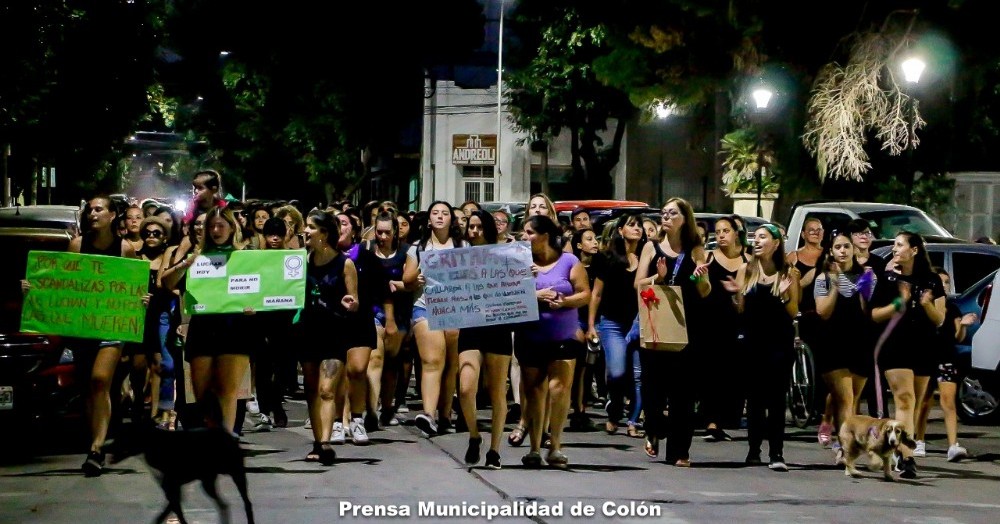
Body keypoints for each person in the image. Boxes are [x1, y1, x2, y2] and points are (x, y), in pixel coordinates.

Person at [25, 195, 138, 476]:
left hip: (111, 327)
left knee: (101, 380)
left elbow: (132, 286)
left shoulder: (125, 249)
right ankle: (94, 440)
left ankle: (97, 448)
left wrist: (140, 300)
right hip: (83, 328)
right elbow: (65, 284)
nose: (93, 214)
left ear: (113, 215)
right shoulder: (77, 245)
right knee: (89, 386)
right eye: (90, 210)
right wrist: (34, 288)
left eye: (99, 209)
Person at [634, 198, 711, 468]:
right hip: (656, 324)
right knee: (653, 389)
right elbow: (638, 284)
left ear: (684, 218)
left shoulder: (696, 249)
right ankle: (654, 428)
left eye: (672, 213)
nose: (666, 217)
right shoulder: (650, 247)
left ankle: (680, 450)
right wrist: (659, 278)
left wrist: (701, 277)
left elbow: (705, 291)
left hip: (686, 326)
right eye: (663, 213)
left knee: (683, 393)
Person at [167, 207, 255, 437]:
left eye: (221, 226)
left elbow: (260, 291)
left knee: (227, 392)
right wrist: (186, 263)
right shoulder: (198, 258)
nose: (216, 230)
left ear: (231, 228)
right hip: (203, 329)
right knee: (202, 393)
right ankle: (211, 437)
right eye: (211, 226)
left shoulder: (245, 257)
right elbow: (166, 283)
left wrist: (253, 308)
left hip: (234, 329)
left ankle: (224, 444)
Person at [723, 224, 800, 472]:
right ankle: (753, 450)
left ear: (776, 243)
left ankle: (776, 453)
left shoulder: (789, 273)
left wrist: (786, 295)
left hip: (779, 343)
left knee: (777, 400)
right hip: (753, 342)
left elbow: (792, 312)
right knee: (755, 400)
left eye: (762, 237)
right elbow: (741, 310)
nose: (756, 242)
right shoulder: (746, 269)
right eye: (755, 238)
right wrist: (735, 295)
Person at [869, 231, 946, 479]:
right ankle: (906, 457)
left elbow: (940, 319)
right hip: (895, 344)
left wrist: (925, 304)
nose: (894, 249)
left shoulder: (932, 280)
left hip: (923, 345)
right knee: (904, 399)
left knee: (913, 405)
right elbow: (874, 314)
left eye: (899, 244)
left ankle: (896, 447)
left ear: (914, 250)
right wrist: (898, 303)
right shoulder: (888, 278)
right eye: (894, 244)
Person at [517, 215, 590, 468]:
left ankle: (556, 446)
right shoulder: (520, 262)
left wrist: (564, 302)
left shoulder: (569, 261)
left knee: (559, 390)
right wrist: (533, 293)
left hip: (563, 336)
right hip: (530, 335)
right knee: (534, 390)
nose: (524, 237)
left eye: (529, 232)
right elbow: (506, 293)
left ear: (545, 235)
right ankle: (534, 448)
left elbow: (584, 294)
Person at [297, 210, 361, 465]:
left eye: (311, 227)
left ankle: (325, 443)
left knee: (326, 390)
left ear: (324, 233)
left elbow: (355, 300)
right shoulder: (301, 262)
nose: (306, 231)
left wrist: (351, 303)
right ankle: (316, 441)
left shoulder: (345, 263)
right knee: (312, 389)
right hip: (308, 330)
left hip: (335, 332)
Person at [813, 229, 877, 461]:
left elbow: (866, 310)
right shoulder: (823, 278)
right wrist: (836, 283)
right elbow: (823, 311)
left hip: (859, 342)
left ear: (854, 250)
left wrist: (865, 285)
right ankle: (844, 447)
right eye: (838, 247)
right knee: (845, 399)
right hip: (833, 343)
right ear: (830, 251)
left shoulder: (867, 275)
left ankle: (846, 443)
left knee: (853, 400)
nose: (842, 251)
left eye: (846, 247)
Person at [457, 210, 513, 469]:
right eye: (471, 227)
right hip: (470, 325)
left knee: (498, 391)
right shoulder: (457, 258)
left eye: (479, 227)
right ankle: (474, 435)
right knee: (467, 386)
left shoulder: (505, 254)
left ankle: (494, 449)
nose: (475, 231)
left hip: (498, 325)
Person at [404, 201, 466, 436]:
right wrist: (415, 278)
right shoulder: (417, 248)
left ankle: (446, 414)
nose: (440, 217)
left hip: (456, 309)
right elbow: (407, 280)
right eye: (435, 213)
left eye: (445, 213)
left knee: (451, 364)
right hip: (425, 308)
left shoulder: (463, 246)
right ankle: (428, 413)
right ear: (429, 219)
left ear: (452, 219)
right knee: (432, 361)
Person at [587, 214, 646, 438]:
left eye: (639, 225)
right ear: (620, 230)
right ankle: (614, 410)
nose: (637, 229)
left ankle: (633, 421)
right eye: (631, 225)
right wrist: (592, 325)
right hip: (612, 323)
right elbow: (597, 293)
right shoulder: (606, 258)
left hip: (639, 321)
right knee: (617, 372)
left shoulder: (646, 256)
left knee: (638, 376)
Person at [913, 267, 975, 462]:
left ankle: (953, 445)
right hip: (925, 356)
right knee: (923, 402)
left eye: (947, 282)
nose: (944, 286)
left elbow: (958, 337)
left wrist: (963, 325)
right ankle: (918, 440)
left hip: (947, 357)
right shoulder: (921, 307)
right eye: (940, 282)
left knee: (948, 401)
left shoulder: (953, 308)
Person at [699, 216, 748, 442]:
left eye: (726, 231)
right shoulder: (708, 258)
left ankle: (724, 418)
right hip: (710, 322)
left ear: (736, 233)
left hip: (737, 322)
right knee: (710, 372)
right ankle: (711, 420)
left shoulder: (747, 260)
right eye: (717, 232)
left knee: (732, 373)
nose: (721, 235)